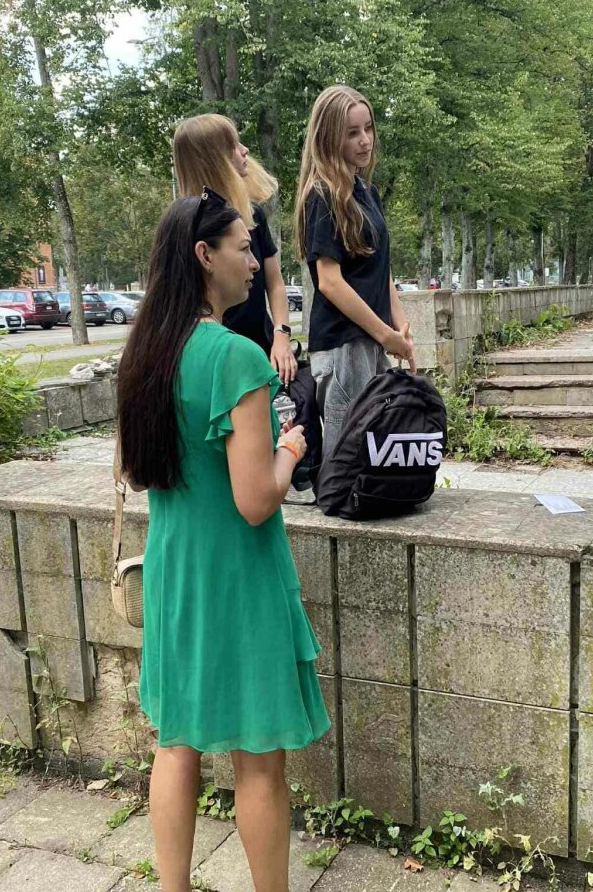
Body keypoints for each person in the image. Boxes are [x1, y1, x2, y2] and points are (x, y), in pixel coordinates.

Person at [116, 191, 330, 892]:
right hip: (238, 578)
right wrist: (291, 448)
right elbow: (255, 499)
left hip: (175, 571)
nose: (255, 261)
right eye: (244, 247)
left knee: (175, 742)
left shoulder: (146, 353)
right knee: (259, 759)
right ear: (205, 256)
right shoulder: (235, 357)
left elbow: (138, 471)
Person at [293, 84, 415, 457]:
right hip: (343, 344)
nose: (365, 140)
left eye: (368, 128)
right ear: (330, 138)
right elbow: (329, 282)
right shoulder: (323, 196)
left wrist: (400, 325)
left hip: (371, 340)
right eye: (352, 133)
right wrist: (385, 334)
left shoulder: (366, 192)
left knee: (375, 453)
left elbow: (380, 267)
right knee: (347, 457)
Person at [174, 113, 297, 384]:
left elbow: (275, 282)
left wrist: (281, 335)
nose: (245, 150)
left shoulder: (254, 214)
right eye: (233, 146)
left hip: (262, 347)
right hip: (216, 355)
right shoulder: (186, 228)